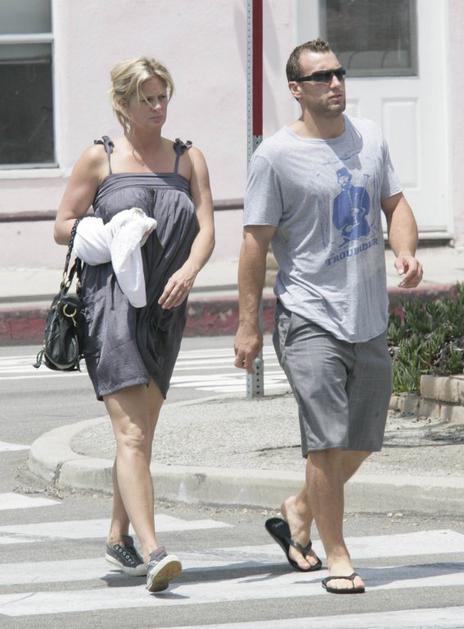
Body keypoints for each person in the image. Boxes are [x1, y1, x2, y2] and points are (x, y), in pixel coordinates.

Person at [234, 38, 422, 594]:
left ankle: (299, 507)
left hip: (368, 315)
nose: (335, 83)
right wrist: (247, 325)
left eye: (338, 73)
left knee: (362, 439)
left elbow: (395, 203)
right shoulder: (274, 157)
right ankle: (337, 555)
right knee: (326, 441)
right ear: (296, 89)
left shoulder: (370, 137)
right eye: (321, 77)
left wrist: (406, 250)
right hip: (308, 314)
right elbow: (254, 244)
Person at [54, 56, 214, 592]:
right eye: (147, 98)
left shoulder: (188, 158)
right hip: (111, 307)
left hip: (166, 308)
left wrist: (190, 271)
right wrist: (110, 228)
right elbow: (62, 225)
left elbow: (206, 229)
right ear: (122, 102)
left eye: (163, 96)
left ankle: (117, 533)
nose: (158, 107)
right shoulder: (99, 158)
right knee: (132, 433)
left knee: (141, 436)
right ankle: (153, 550)